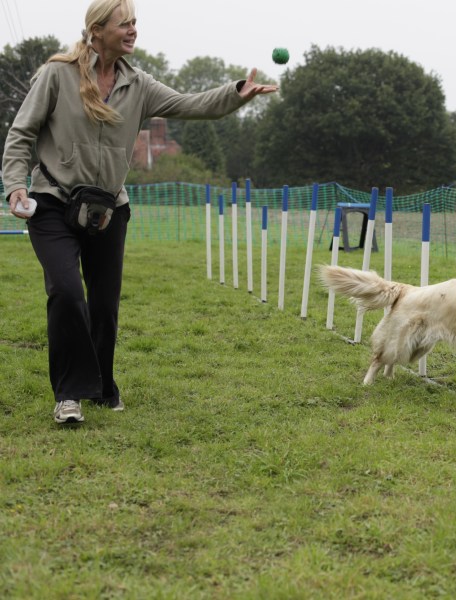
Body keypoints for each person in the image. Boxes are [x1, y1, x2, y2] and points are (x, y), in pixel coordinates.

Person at [2, 0, 277, 424]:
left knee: (105, 306)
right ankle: (69, 395)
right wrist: (16, 184)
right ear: (97, 30)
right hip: (53, 201)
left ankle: (101, 386)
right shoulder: (57, 75)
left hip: (107, 208)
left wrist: (234, 93)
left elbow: (190, 103)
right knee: (67, 292)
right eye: (124, 23)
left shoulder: (139, 84)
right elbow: (22, 133)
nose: (133, 30)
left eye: (135, 23)